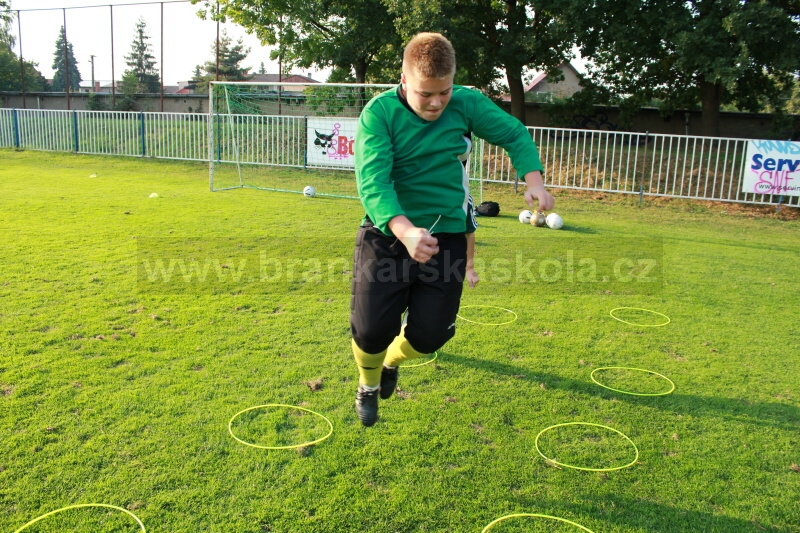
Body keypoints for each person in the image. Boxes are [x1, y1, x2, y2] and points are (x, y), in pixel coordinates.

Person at [351, 32, 554, 427]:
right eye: (426, 93)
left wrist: (534, 180)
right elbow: (373, 183)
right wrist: (405, 231)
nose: (437, 102)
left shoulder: (466, 102)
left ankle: (392, 362)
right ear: (404, 80)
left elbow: (513, 133)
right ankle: (368, 384)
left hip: (445, 237)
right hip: (388, 234)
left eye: (444, 92)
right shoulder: (379, 114)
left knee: (430, 336)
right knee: (372, 331)